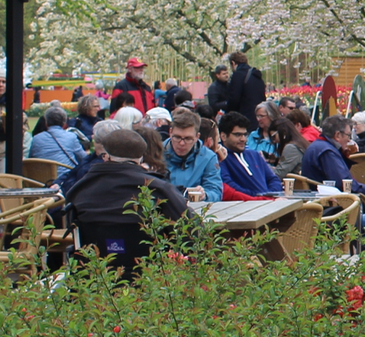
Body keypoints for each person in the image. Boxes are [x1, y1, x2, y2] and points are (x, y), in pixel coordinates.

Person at [62, 126, 186, 279]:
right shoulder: (158, 188)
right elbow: (191, 230)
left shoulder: (79, 190)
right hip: (149, 280)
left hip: (94, 279)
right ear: (141, 158)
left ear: (105, 156)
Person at [218, 114, 284, 200]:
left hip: (268, 203)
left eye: (245, 135)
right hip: (244, 207)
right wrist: (259, 196)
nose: (243, 139)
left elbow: (273, 179)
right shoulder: (221, 158)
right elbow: (230, 186)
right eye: (238, 135)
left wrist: (269, 194)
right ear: (223, 136)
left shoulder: (254, 155)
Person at [163, 108, 223, 202]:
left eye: (188, 139)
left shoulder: (208, 157)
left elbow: (216, 192)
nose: (182, 143)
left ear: (197, 137)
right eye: (177, 137)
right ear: (170, 133)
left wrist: (205, 195)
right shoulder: (156, 154)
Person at [300, 115, 365, 192]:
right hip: (328, 200)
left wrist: (343, 154)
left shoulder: (320, 145)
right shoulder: (327, 151)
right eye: (348, 135)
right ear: (337, 135)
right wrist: (364, 189)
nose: (349, 140)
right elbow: (342, 182)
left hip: (321, 196)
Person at [28, 107, 86, 171]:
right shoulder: (71, 137)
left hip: (40, 179)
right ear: (64, 122)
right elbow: (83, 158)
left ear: (46, 122)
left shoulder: (36, 139)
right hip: (66, 178)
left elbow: (31, 160)